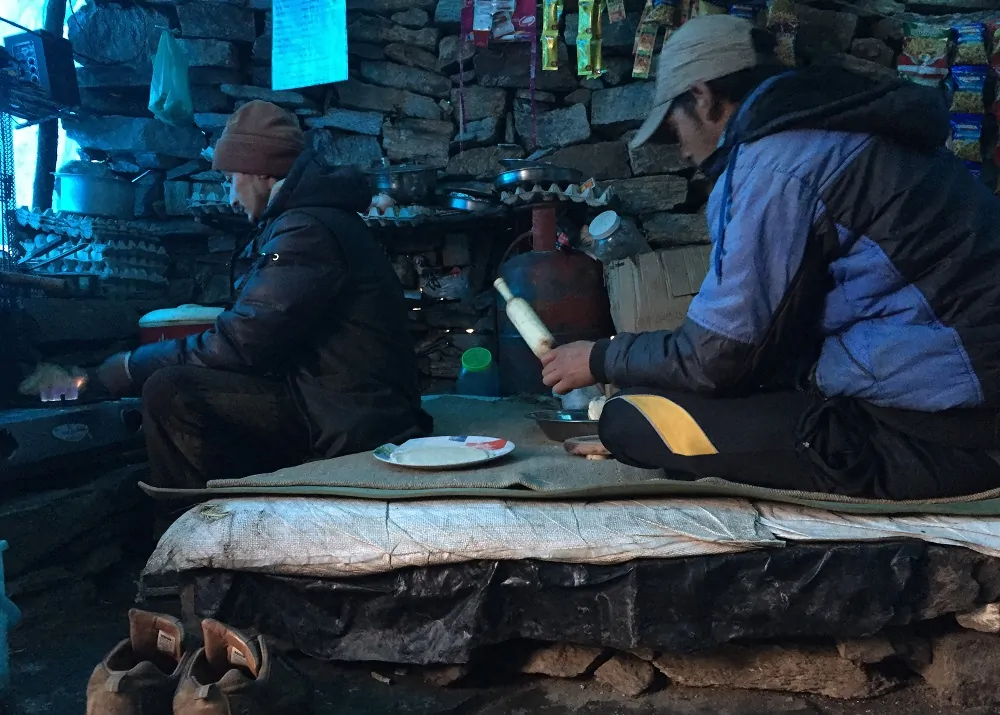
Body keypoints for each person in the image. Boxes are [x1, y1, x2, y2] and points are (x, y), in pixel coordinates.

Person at [541, 15, 1000, 500]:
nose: (680, 152)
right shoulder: (837, 130)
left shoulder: (778, 163)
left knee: (629, 420)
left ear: (702, 97)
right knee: (675, 405)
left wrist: (600, 356)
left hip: (944, 434)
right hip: (958, 404)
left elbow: (717, 357)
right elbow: (764, 343)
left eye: (673, 130)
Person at [95, 100, 432, 489]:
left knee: (170, 390)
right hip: (336, 402)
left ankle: (183, 526)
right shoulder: (309, 220)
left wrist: (130, 366)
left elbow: (242, 343)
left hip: (353, 417)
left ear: (259, 172)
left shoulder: (306, 231)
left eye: (231, 178)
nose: (232, 195)